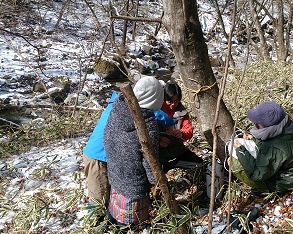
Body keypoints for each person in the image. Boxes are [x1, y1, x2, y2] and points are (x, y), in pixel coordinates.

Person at [103, 76, 163, 225]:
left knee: (114, 211)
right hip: (134, 180)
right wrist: (157, 182)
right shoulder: (147, 124)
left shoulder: (119, 106)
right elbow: (150, 162)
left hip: (115, 170)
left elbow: (109, 135)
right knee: (128, 221)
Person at [229, 101, 293, 195]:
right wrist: (254, 138)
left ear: (266, 126)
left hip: (282, 183)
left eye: (257, 123)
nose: (255, 124)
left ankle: (265, 191)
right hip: (288, 174)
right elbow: (269, 140)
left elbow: (257, 175)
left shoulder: (274, 148)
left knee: (234, 162)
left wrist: (241, 151)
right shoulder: (285, 130)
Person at [82, 91, 118, 208]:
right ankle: (93, 224)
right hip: (97, 158)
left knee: (106, 196)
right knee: (98, 201)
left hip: (102, 156)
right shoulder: (120, 108)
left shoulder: (115, 104)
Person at [160, 82, 203, 172]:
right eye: (170, 101)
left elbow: (189, 130)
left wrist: (182, 133)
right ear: (164, 99)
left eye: (176, 101)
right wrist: (159, 139)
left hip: (178, 151)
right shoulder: (157, 109)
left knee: (200, 165)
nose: (173, 104)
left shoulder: (181, 111)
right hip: (160, 156)